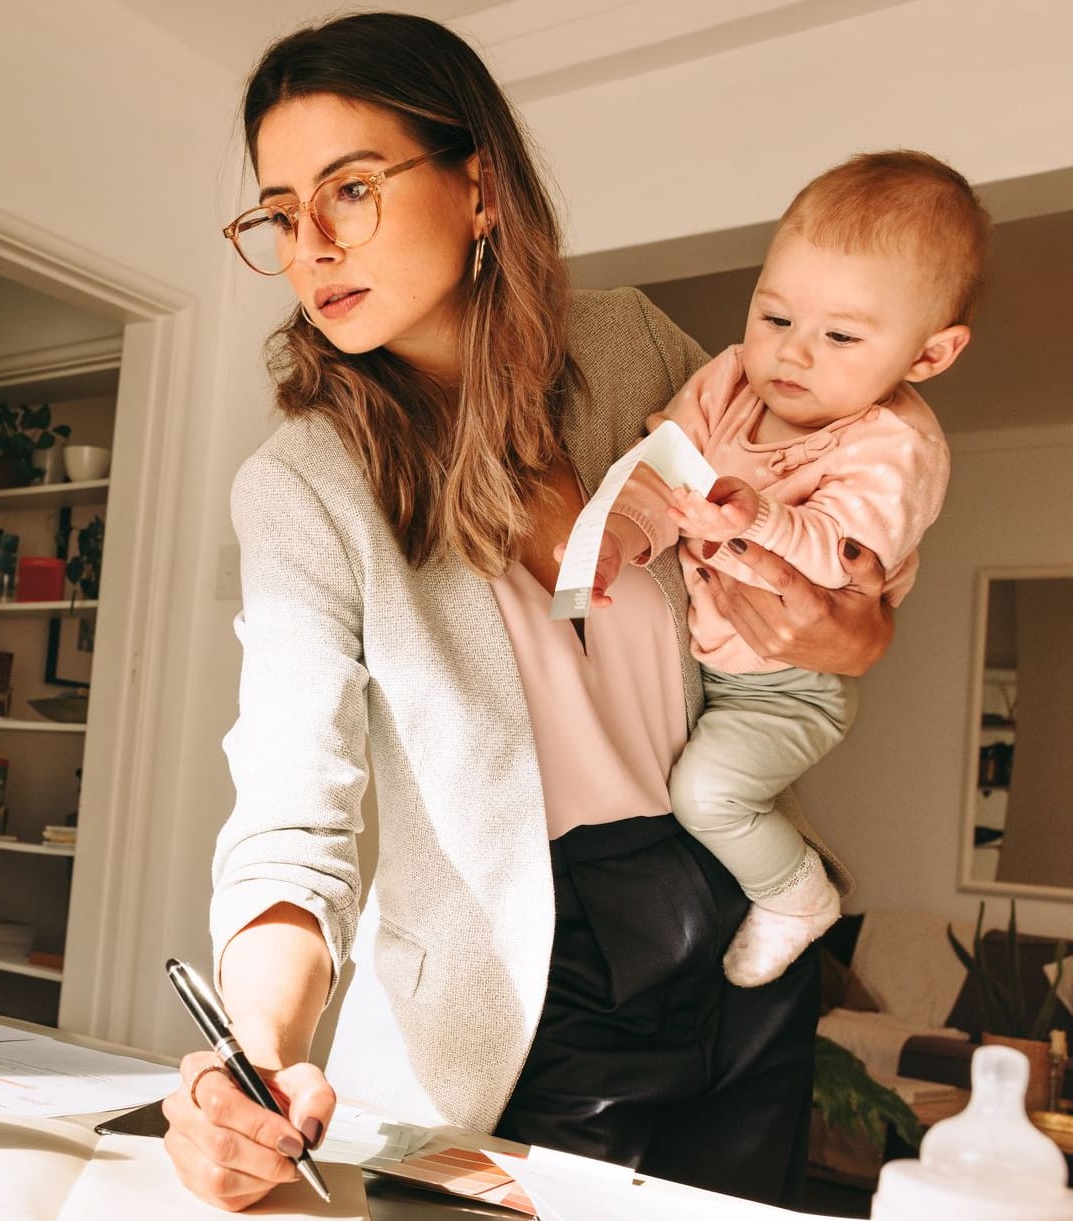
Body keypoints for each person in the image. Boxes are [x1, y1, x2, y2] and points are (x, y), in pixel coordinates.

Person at [161, 11, 895, 1212]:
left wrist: (856, 630)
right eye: (281, 213)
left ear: (480, 185)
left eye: (350, 189)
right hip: (528, 977)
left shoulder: (630, 347)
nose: (312, 247)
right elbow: (295, 810)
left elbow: (806, 557)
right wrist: (258, 1044)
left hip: (736, 903)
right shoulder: (303, 486)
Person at [589, 152, 986, 988]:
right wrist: (621, 531)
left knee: (706, 795)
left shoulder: (895, 446)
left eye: (839, 336)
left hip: (789, 686)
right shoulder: (729, 379)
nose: (790, 355)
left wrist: (759, 518)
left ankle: (798, 894)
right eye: (774, 316)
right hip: (707, 661)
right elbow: (661, 468)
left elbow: (844, 557)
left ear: (929, 355)